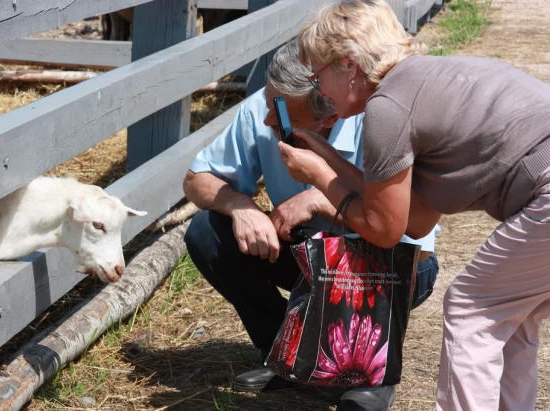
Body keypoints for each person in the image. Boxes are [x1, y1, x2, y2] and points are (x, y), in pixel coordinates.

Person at [277, 1, 550, 410]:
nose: (321, 92)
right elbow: (415, 220)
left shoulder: (388, 108)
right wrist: (329, 160)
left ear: (348, 65)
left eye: (318, 77)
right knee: (511, 316)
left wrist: (319, 177)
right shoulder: (424, 82)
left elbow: (384, 230)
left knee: (470, 310)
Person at [183, 41, 440, 411]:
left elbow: (417, 245)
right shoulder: (268, 106)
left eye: (283, 114)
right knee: (208, 232)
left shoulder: (384, 122)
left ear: (330, 116)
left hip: (384, 266)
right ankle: (285, 355)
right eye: (270, 102)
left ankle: (371, 371)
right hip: (311, 259)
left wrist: (323, 199)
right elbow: (196, 178)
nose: (270, 119)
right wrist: (242, 207)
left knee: (387, 257)